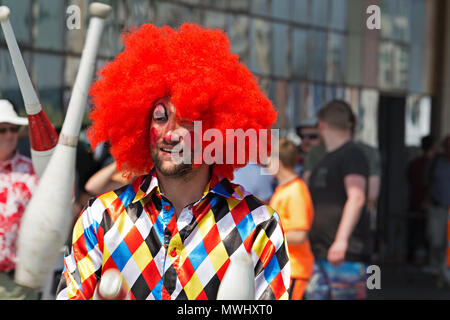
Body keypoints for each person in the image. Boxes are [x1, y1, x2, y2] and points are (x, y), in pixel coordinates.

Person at [56, 23, 290, 300]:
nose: (170, 134)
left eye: (188, 122)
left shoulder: (258, 224)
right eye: (160, 117)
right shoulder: (101, 217)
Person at [304, 100, 370, 300]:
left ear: (322, 125)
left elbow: (357, 197)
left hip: (344, 256)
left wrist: (341, 241)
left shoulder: (352, 154)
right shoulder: (326, 158)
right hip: (320, 252)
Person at [0, 100, 39, 299]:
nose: (8, 135)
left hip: (18, 282)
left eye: (13, 129)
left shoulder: (33, 172)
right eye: (2, 130)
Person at [269, 138, 314, 300]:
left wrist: (265, 237)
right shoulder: (284, 189)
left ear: (278, 162)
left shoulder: (296, 191)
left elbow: (300, 235)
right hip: (287, 270)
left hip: (295, 270)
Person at [406, 135, 438, 266]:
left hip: (415, 200)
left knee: (416, 231)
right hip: (427, 202)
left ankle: (412, 257)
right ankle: (429, 261)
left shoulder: (414, 163)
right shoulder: (432, 164)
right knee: (430, 234)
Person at [425, 135, 450, 286]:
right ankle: (438, 269)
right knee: (436, 240)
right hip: (438, 207)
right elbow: (426, 182)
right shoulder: (435, 162)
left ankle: (445, 271)